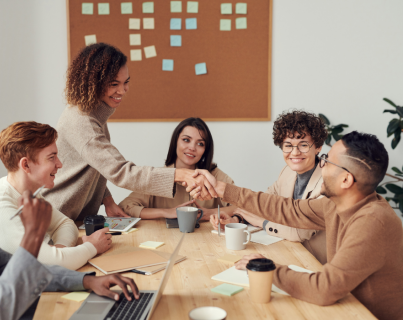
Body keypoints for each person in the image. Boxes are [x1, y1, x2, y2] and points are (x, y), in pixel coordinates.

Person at [194, 131, 403, 320]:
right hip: (343, 307)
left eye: (328, 162)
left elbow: (325, 289)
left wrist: (268, 269)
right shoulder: (337, 205)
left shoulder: (372, 222)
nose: (321, 165)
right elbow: (288, 209)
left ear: (346, 179)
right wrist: (223, 189)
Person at [43, 43, 215, 221]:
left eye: (126, 82)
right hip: (56, 218)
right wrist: (178, 174)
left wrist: (107, 200)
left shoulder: (92, 114)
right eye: (114, 84)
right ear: (93, 83)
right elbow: (121, 172)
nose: (122, 90)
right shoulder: (83, 122)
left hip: (73, 218)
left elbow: (96, 165)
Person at [0, 190, 139, 320]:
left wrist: (87, 280)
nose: (60, 164)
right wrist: (32, 237)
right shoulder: (0, 204)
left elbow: (12, 267)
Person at [0, 122, 111, 270]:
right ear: (26, 165)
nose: (59, 164)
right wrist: (92, 247)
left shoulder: (26, 192)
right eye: (52, 157)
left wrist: (60, 251)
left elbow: (64, 224)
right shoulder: (1, 210)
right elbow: (53, 266)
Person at [210, 110, 328, 263]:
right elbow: (264, 204)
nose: (295, 152)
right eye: (288, 145)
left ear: (318, 147)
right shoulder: (287, 172)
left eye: (303, 145)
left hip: (316, 263)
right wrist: (237, 219)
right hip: (289, 253)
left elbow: (299, 232)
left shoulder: (327, 181)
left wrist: (262, 223)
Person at [118, 118, 235, 221]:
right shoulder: (158, 176)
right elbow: (125, 207)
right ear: (175, 142)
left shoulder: (215, 176)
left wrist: (211, 213)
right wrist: (166, 212)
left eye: (200, 144)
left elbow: (244, 206)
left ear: (205, 150)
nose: (192, 148)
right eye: (186, 140)